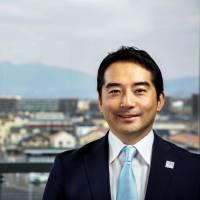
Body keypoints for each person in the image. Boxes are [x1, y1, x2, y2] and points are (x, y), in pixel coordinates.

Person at [43, 46, 200, 200]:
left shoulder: (192, 169)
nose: (127, 102)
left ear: (159, 100)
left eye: (139, 91)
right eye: (115, 91)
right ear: (100, 101)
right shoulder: (68, 167)